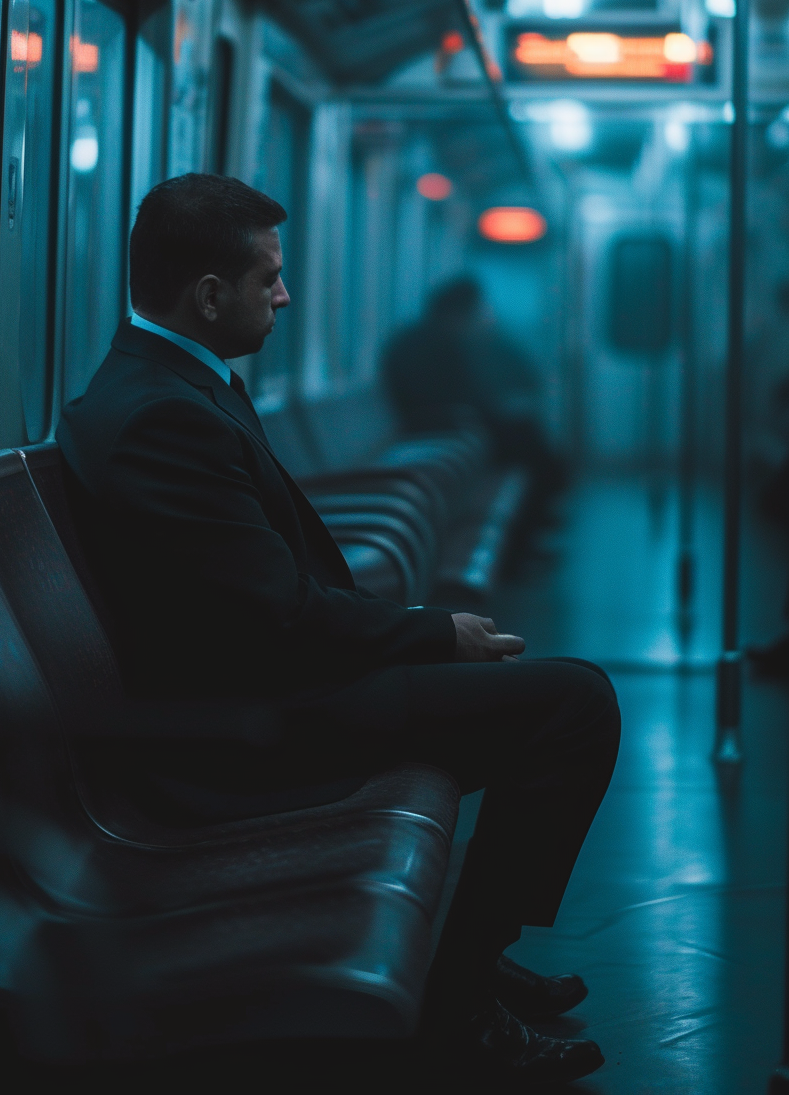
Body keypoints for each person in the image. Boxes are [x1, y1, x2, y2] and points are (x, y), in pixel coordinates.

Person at [57, 174, 620, 1087]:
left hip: (256, 682)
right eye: (268, 278)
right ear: (208, 296)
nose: (283, 295)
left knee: (547, 699)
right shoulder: (168, 415)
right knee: (574, 704)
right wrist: (436, 633)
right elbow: (276, 615)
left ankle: (466, 953)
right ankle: (459, 995)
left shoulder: (170, 384)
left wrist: (410, 629)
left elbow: (256, 596)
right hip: (239, 724)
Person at [382, 276, 567, 498]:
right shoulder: (428, 345)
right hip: (433, 425)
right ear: (458, 311)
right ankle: (539, 503)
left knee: (521, 429)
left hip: (445, 419)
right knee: (522, 435)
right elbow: (440, 395)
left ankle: (538, 501)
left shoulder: (428, 338)